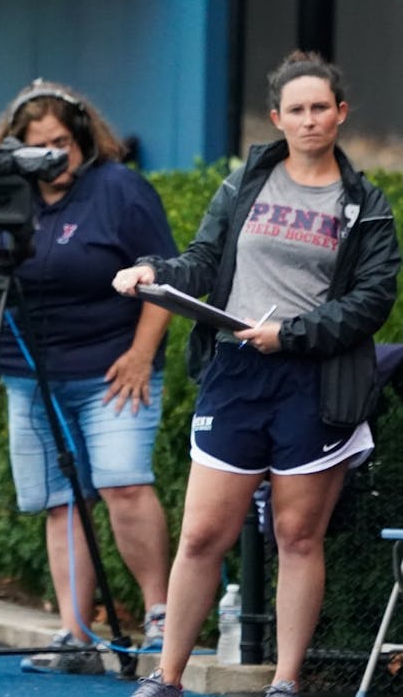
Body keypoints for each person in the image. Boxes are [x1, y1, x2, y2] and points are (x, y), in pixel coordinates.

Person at [119, 52, 400, 697]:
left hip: (314, 382)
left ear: (340, 113)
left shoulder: (365, 204)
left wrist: (292, 335)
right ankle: (167, 679)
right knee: (201, 536)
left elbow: (372, 299)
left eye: (320, 108)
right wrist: (153, 274)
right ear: (278, 118)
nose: (309, 120)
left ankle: (286, 681)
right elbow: (203, 260)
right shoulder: (245, 184)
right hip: (236, 377)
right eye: (296, 110)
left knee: (298, 536)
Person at [0, 80, 176, 673]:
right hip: (30, 373)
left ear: (84, 137)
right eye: (41, 147)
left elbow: (163, 276)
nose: (55, 158)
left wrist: (141, 356)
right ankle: (74, 633)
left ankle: (163, 618)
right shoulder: (9, 193)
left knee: (124, 485)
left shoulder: (121, 190)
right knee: (61, 501)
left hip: (113, 370)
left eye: (64, 143)